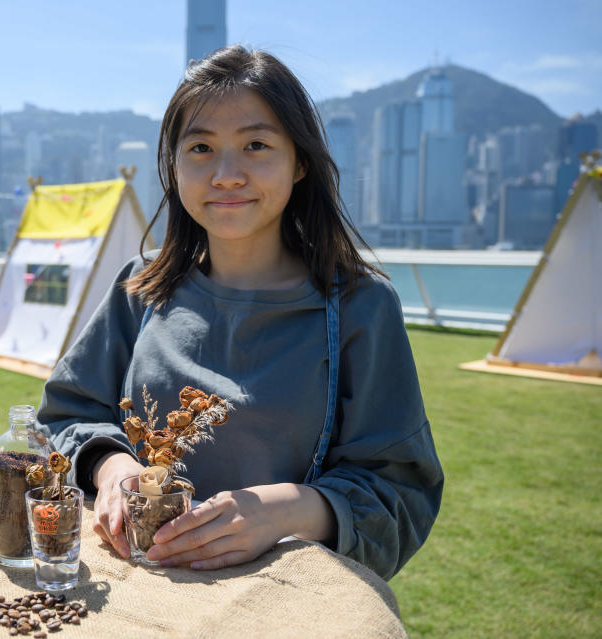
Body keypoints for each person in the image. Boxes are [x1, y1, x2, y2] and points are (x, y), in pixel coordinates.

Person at [36, 45, 443, 581]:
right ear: (174, 166)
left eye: (256, 145)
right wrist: (112, 467)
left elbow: (398, 492)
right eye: (200, 147)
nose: (226, 174)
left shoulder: (359, 306)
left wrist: (285, 510)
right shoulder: (140, 288)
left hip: (279, 601)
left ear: (299, 162)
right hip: (132, 591)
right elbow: (64, 416)